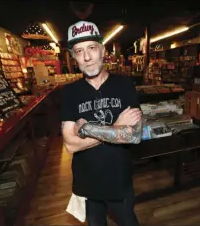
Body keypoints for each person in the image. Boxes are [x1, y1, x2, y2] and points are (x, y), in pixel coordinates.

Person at [60, 21, 142, 226]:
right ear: (73, 57)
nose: (86, 57)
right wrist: (116, 128)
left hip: (119, 181)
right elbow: (70, 143)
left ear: (103, 50)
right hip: (87, 185)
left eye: (91, 48)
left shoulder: (124, 84)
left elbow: (134, 134)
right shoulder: (70, 92)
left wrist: (86, 129)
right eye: (79, 51)